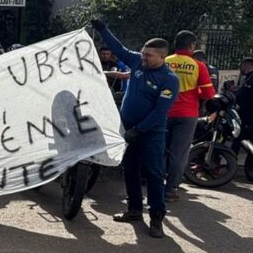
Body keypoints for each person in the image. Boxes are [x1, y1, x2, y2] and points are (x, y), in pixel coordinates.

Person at [92, 19, 179, 238]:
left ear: (162, 57)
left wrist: (138, 130)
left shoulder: (169, 79)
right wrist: (103, 28)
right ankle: (134, 210)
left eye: (149, 55)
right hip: (128, 130)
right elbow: (118, 49)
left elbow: (160, 112)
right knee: (129, 171)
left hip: (151, 134)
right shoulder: (138, 63)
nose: (144, 57)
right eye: (143, 53)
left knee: (153, 174)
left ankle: (157, 218)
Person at [163, 30, 215, 201]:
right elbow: (209, 94)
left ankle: (154, 184)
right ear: (192, 46)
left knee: (160, 149)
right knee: (179, 153)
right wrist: (196, 91)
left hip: (163, 112)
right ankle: (170, 190)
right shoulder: (198, 65)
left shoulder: (165, 61)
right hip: (187, 114)